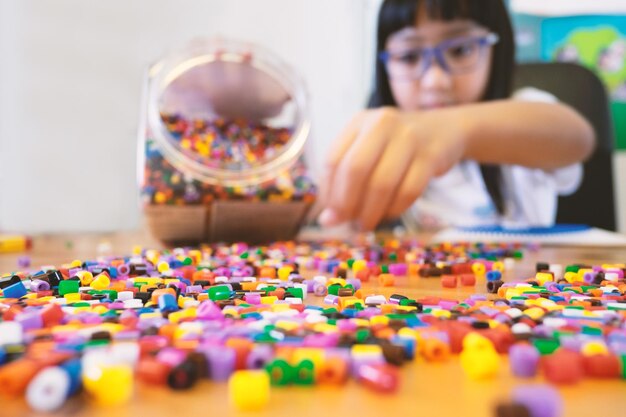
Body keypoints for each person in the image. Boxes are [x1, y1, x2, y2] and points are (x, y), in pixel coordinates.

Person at [316, 0, 595, 232]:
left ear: (496, 50)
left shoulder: (527, 109)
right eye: (410, 56)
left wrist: (456, 130)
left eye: (460, 50)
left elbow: (578, 137)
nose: (435, 80)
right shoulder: (377, 141)